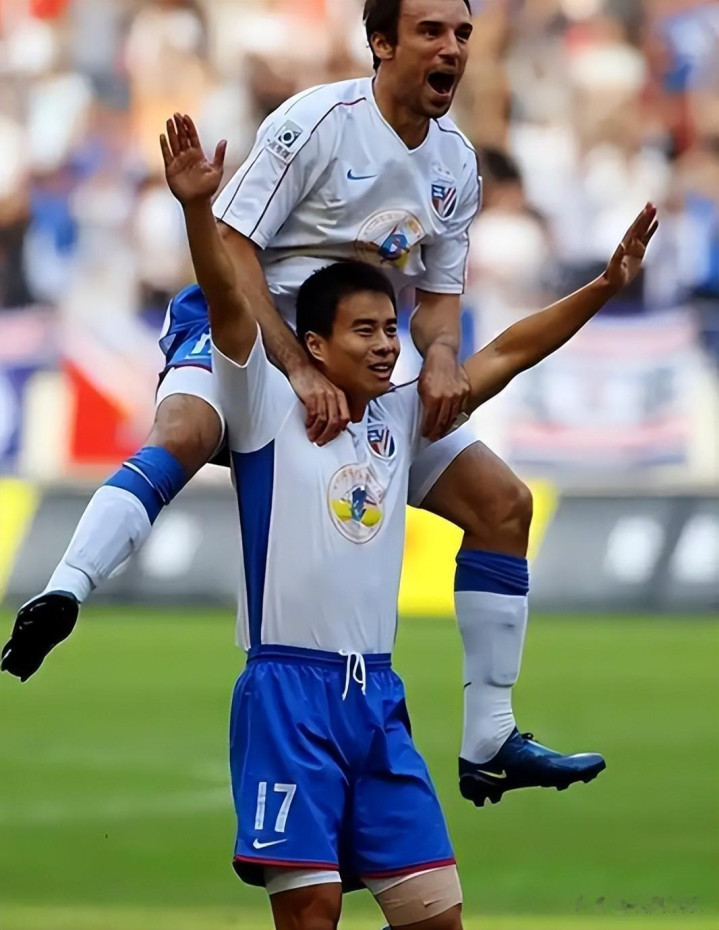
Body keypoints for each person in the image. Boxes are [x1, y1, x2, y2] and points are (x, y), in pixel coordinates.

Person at [1, 0, 640, 806]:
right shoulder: (316, 123)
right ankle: (65, 588)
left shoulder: (455, 162)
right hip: (250, 327)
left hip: (353, 357)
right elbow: (232, 247)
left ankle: (489, 739)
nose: (451, 48)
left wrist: (442, 359)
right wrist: (293, 368)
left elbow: (439, 301)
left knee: (503, 505)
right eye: (431, 31)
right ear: (381, 43)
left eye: (462, 34)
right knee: (187, 428)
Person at [164, 116, 649, 928]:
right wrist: (194, 211)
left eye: (392, 328)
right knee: (312, 914)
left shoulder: (400, 419)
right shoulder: (266, 410)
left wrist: (601, 287)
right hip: (286, 694)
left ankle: (489, 737)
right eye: (367, 331)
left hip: (377, 700)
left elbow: (504, 354)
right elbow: (225, 298)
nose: (389, 346)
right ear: (314, 345)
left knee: (435, 917)